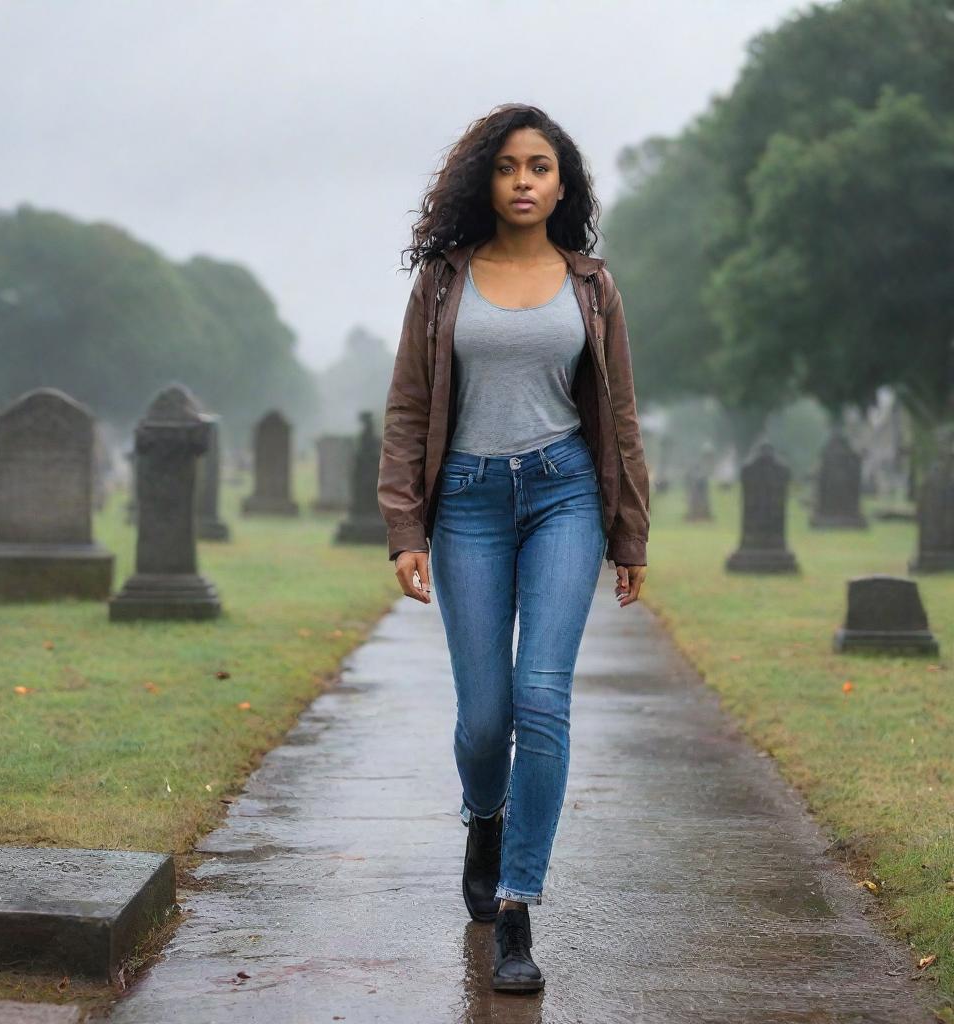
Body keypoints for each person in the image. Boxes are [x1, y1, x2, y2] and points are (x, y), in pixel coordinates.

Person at [377, 102, 650, 993]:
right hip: (467, 503)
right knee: (485, 716)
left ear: (562, 182)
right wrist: (403, 527)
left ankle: (517, 907)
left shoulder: (592, 286)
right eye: (507, 167)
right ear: (483, 182)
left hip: (565, 494)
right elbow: (409, 407)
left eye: (539, 166)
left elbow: (620, 417)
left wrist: (629, 532)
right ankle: (483, 817)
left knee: (542, 700)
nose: (523, 181)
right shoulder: (445, 280)